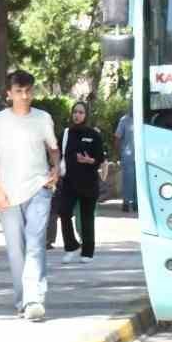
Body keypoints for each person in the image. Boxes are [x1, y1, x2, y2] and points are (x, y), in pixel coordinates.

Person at [0, 69, 59, 322]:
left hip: (38, 188)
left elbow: (54, 150)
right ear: (9, 94)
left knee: (36, 245)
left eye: (28, 91)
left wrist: (56, 170)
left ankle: (33, 299)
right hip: (8, 193)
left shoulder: (43, 118)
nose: (24, 96)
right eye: (18, 92)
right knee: (16, 249)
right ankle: (21, 300)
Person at [57, 102, 108, 264]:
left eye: (81, 112)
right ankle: (71, 246)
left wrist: (89, 160)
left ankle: (88, 251)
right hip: (69, 182)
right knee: (64, 213)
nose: (77, 115)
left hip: (88, 183)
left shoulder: (93, 134)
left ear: (86, 115)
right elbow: (57, 154)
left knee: (87, 218)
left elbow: (100, 158)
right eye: (75, 112)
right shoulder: (66, 134)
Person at [113, 107, 138, 214]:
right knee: (128, 179)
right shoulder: (124, 120)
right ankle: (126, 203)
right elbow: (117, 138)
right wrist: (118, 154)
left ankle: (137, 203)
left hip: (140, 156)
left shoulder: (142, 118)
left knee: (138, 180)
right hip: (127, 156)